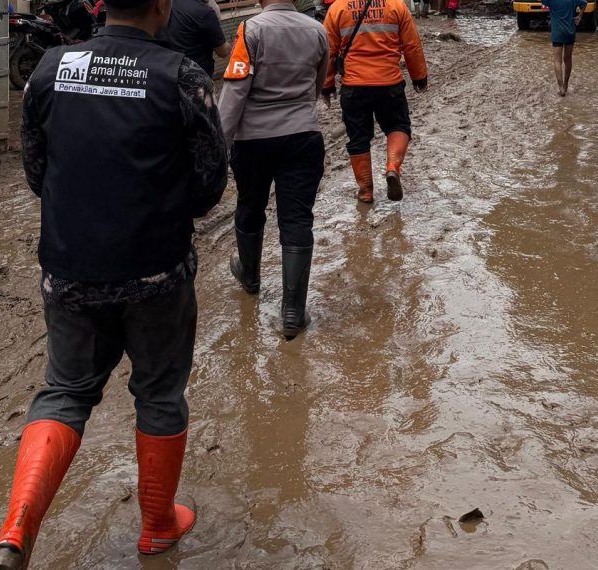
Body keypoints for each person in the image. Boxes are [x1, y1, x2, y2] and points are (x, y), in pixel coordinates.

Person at [0, 0, 228, 567]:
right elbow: (209, 183)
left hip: (69, 268)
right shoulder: (182, 76)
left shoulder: (51, 68)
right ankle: (157, 527)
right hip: (156, 270)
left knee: (65, 392)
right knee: (159, 394)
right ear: (162, 5)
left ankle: (15, 531)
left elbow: (36, 171)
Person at [218, 0, 329, 339]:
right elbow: (318, 82)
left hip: (254, 139)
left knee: (250, 206)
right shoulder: (317, 30)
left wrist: (219, 143)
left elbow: (235, 90)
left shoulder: (250, 30)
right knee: (297, 218)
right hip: (303, 135)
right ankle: (293, 311)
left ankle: (250, 276)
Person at [322, 0, 429, 204]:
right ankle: (392, 168)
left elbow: (328, 50)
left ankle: (365, 191)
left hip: (354, 86)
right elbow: (411, 45)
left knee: (358, 137)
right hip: (389, 84)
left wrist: (326, 85)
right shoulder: (396, 5)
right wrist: (419, 76)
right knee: (398, 126)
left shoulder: (337, 8)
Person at [162, 0, 231, 76]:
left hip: (167, 72)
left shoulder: (165, 5)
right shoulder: (204, 12)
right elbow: (223, 52)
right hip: (196, 76)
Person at [541, 0, 587, 96]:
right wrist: (579, 16)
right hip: (570, 31)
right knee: (568, 59)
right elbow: (584, 2)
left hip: (557, 32)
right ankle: (566, 85)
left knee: (557, 61)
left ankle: (561, 87)